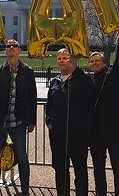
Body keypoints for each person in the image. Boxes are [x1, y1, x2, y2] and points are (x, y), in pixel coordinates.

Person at [0, 39, 37, 196]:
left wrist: (32, 120)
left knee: (22, 156)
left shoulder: (28, 71)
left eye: (14, 46)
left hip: (18, 121)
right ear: (5, 51)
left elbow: (33, 98)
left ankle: (25, 190)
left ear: (19, 50)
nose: (11, 48)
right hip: (0, 121)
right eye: (8, 46)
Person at [88, 27, 119, 196]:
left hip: (115, 129)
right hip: (96, 132)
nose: (94, 64)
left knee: (118, 165)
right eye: (92, 62)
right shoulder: (88, 81)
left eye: (97, 61)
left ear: (104, 63)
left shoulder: (113, 76)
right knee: (98, 168)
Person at [45, 48, 94, 196]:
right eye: (59, 59)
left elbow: (91, 97)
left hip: (77, 134)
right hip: (58, 134)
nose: (62, 61)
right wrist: (49, 121)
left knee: (80, 169)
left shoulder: (81, 79)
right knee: (60, 169)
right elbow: (49, 104)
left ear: (72, 60)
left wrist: (76, 69)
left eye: (65, 58)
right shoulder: (54, 81)